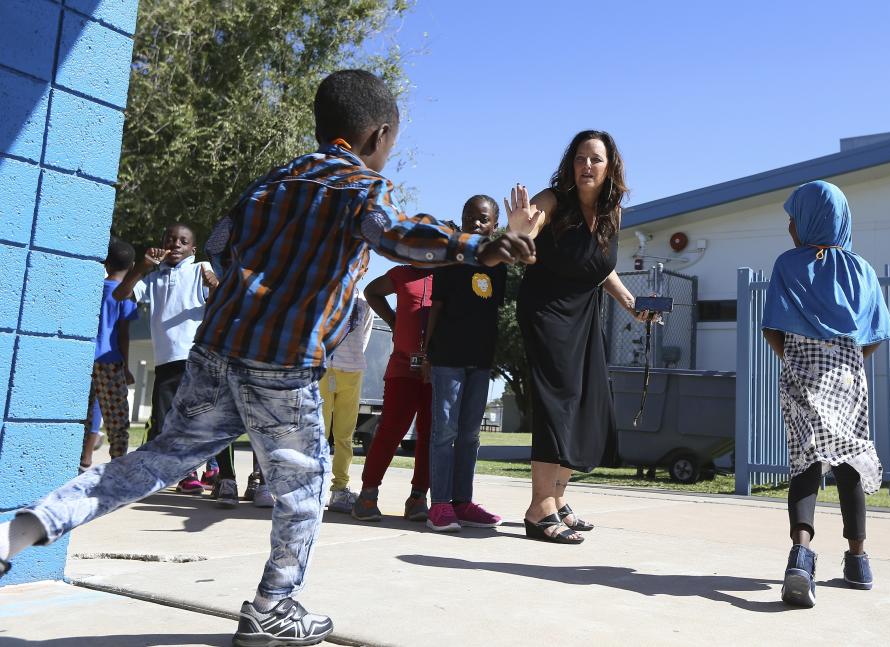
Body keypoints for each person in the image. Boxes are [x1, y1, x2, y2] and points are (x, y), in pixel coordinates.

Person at [0, 69, 536, 647]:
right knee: (304, 488)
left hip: (216, 348)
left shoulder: (273, 180)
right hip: (281, 362)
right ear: (379, 135)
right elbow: (397, 233)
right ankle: (273, 606)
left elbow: (221, 243)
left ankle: (25, 527)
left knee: (156, 460)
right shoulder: (360, 186)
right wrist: (483, 246)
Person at [506, 130, 650, 545]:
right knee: (558, 400)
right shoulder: (553, 201)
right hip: (546, 311)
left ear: (610, 168)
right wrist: (518, 231)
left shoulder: (611, 214)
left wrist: (629, 301)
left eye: (596, 159)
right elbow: (526, 236)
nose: (587, 166)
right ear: (571, 164)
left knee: (588, 399)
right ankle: (538, 508)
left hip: (585, 314)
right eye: (581, 158)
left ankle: (558, 497)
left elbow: (599, 266)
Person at [761, 180, 890, 607]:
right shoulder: (864, 270)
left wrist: (795, 360)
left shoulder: (787, 265)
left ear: (811, 220)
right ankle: (858, 562)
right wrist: (848, 365)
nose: (789, 229)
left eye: (793, 219)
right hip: (849, 377)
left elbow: (771, 327)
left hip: (800, 373)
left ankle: (800, 557)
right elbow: (876, 333)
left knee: (806, 461)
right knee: (849, 463)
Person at [110, 223, 223, 498]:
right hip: (165, 361)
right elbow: (119, 294)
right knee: (166, 421)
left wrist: (215, 286)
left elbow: (222, 301)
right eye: (170, 239)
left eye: (182, 241)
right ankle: (190, 471)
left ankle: (202, 470)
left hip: (196, 357)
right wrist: (141, 268)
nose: (175, 245)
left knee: (198, 417)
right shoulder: (152, 278)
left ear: (192, 249)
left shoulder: (200, 269)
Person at [423, 196, 506, 532]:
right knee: (444, 431)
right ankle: (440, 505)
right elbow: (436, 308)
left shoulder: (498, 266)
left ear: (494, 225)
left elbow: (490, 314)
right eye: (470, 216)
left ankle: (463, 502)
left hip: (480, 361)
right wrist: (427, 353)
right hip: (447, 359)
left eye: (483, 218)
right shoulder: (450, 260)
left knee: (471, 435)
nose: (476, 222)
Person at [353, 264, 434, 522]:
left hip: (436, 370)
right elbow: (372, 291)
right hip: (402, 366)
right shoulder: (401, 274)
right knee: (390, 430)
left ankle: (418, 498)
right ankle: (367, 496)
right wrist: (391, 319)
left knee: (429, 433)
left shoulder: (448, 276)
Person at [79, 237, 139, 473]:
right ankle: (118, 465)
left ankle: (83, 461)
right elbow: (123, 333)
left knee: (88, 411)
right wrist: (125, 366)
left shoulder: (94, 290)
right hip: (110, 360)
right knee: (116, 417)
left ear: (106, 264)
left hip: (86, 359)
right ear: (132, 267)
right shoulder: (125, 295)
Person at [320, 290, 374, 513]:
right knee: (318, 432)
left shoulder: (364, 299)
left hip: (352, 371)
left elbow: (366, 333)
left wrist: (352, 359)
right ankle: (314, 486)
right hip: (323, 368)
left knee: (344, 434)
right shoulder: (326, 287)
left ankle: (339, 488)